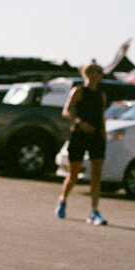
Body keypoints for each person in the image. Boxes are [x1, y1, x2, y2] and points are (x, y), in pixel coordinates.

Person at [55, 62, 108, 225]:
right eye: (98, 72)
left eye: (100, 72)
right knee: (73, 174)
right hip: (79, 134)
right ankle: (63, 200)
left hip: (96, 136)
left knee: (96, 174)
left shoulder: (101, 95)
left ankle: (94, 211)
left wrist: (104, 135)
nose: (100, 75)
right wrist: (80, 122)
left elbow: (101, 117)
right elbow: (66, 111)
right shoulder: (78, 91)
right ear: (90, 74)